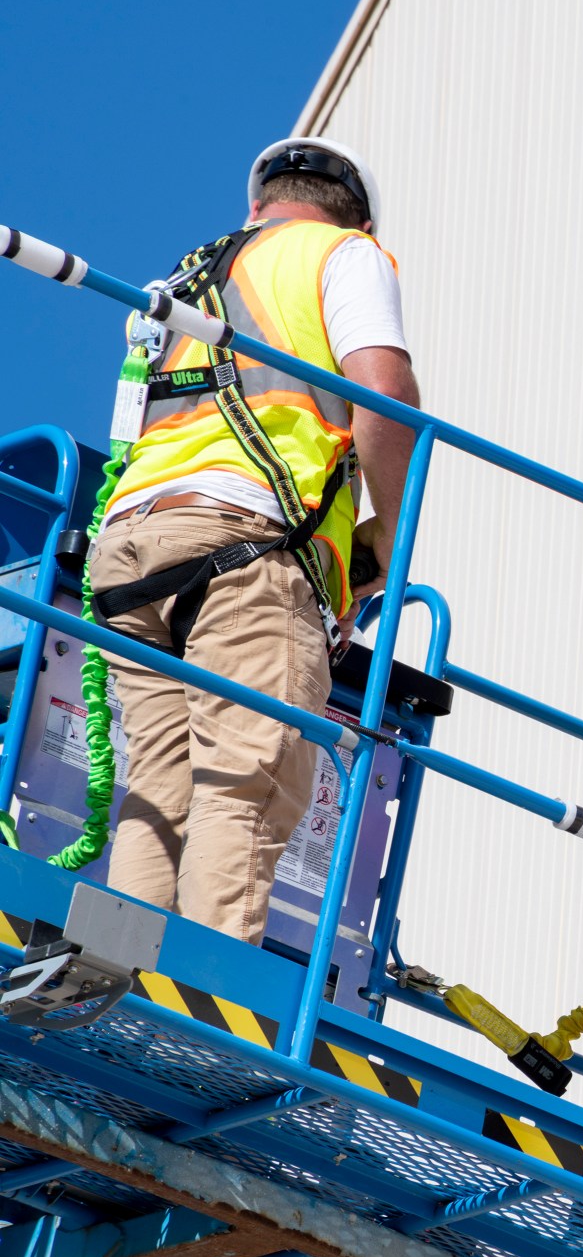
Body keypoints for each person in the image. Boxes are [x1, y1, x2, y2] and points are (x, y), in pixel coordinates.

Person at [86, 137, 420, 943]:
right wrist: (394, 536)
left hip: (130, 543)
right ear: (364, 220)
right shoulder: (346, 254)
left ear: (256, 208)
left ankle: (117, 969)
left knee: (157, 791)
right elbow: (384, 393)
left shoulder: (175, 285)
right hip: (245, 547)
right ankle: (197, 1010)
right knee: (247, 781)